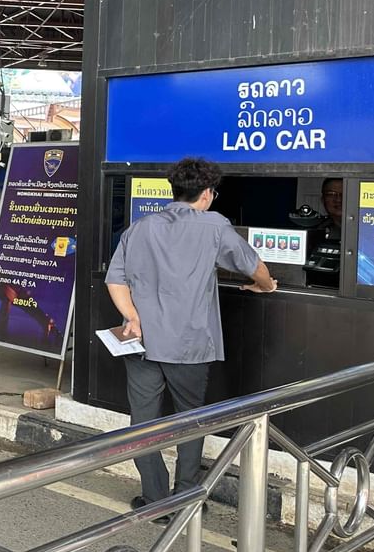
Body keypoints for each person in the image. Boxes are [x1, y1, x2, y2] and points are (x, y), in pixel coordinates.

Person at [105, 157, 277, 516]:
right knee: (190, 421)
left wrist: (133, 317)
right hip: (189, 346)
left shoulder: (140, 228)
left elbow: (115, 280)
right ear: (207, 194)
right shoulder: (213, 226)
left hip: (141, 343)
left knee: (143, 423)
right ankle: (185, 500)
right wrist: (266, 285)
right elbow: (252, 264)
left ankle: (154, 499)